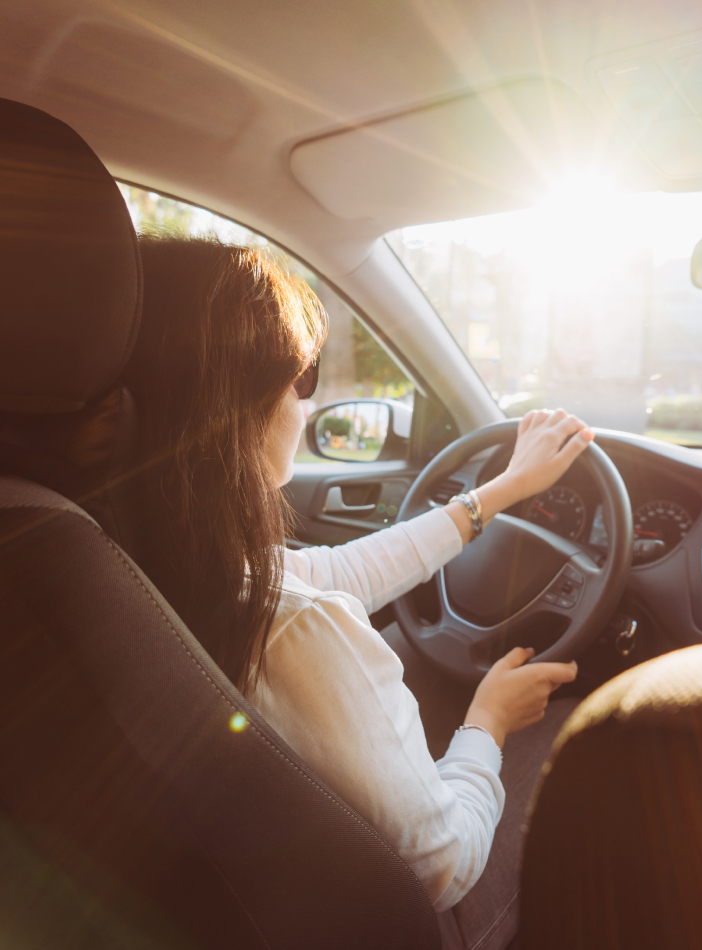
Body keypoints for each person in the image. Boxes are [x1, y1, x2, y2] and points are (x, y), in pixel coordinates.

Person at [123, 234, 594, 950]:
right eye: (301, 379)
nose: (307, 405)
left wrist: (495, 495)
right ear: (235, 401)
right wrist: (488, 723)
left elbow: (339, 571)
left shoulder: (132, 555)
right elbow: (445, 869)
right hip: (416, 924)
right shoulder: (294, 631)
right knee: (578, 731)